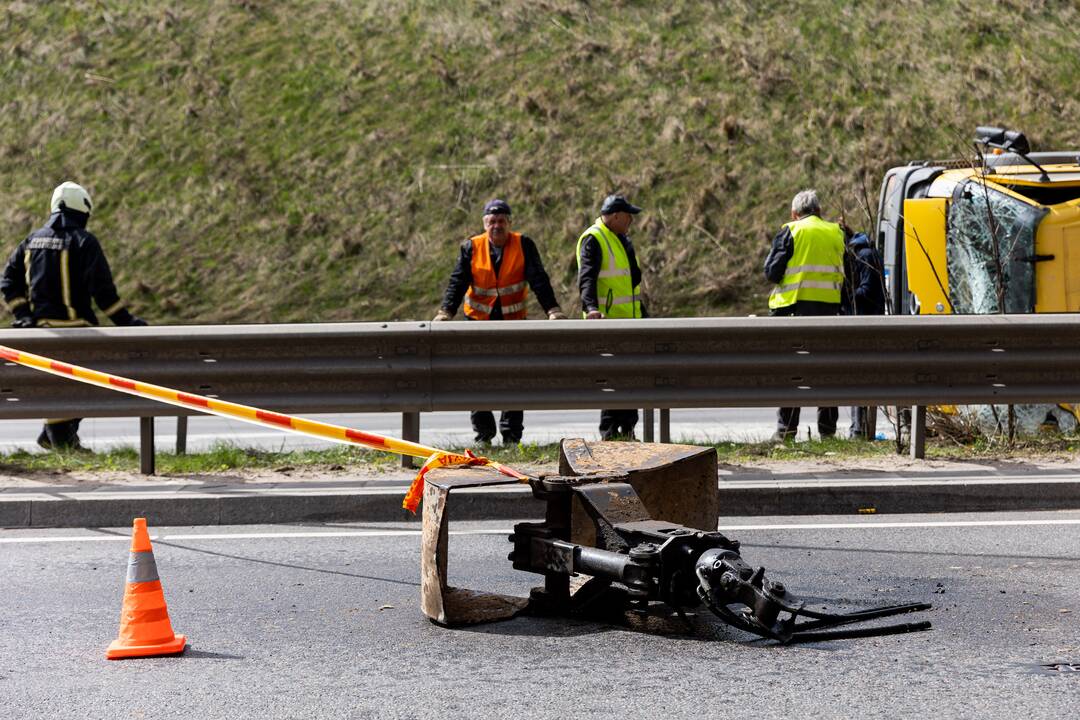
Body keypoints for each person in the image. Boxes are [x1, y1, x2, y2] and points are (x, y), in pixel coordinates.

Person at [1, 181, 147, 451]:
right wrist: (128, 323)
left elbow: (8, 281)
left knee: (60, 384)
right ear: (82, 210)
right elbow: (103, 293)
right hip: (78, 333)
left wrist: (24, 315)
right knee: (92, 380)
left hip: (41, 335)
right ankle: (61, 440)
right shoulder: (84, 242)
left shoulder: (31, 241)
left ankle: (56, 435)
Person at [434, 199, 566, 445]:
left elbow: (539, 279)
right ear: (485, 224)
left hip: (513, 322)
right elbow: (457, 282)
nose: (497, 226)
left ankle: (511, 435)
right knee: (476, 378)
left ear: (509, 223)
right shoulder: (471, 247)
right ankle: (484, 435)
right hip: (476, 322)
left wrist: (552, 309)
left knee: (514, 377)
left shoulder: (523, 244)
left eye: (501, 221)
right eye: (492, 221)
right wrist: (446, 312)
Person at [763, 189, 845, 441]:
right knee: (825, 373)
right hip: (829, 312)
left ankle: (786, 431)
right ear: (819, 211)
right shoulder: (836, 232)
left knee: (793, 374)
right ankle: (828, 432)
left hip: (793, 312)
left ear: (794, 213)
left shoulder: (791, 230)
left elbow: (772, 273)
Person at [576, 194, 647, 441]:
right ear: (616, 215)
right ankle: (609, 433)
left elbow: (631, 279)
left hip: (630, 320)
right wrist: (591, 308)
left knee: (630, 378)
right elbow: (587, 277)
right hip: (607, 321)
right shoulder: (594, 239)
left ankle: (627, 430)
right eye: (628, 216)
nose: (631, 221)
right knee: (612, 379)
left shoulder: (621, 238)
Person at [841, 229, 886, 438]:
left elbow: (866, 290)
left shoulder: (865, 255)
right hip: (869, 321)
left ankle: (858, 430)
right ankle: (859, 429)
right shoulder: (867, 252)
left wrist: (846, 296)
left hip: (865, 322)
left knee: (858, 377)